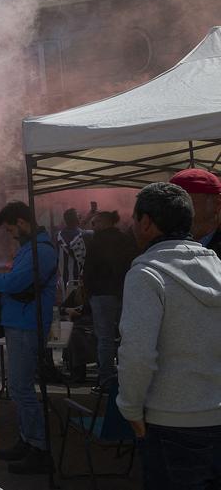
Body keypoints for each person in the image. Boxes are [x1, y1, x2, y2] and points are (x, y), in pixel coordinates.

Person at [117, 182, 221, 489]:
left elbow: (137, 353)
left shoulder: (147, 274)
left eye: (135, 219)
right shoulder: (217, 265)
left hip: (172, 422)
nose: (133, 226)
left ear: (147, 221)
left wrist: (130, 407)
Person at [0, 201, 58, 475]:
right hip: (19, 324)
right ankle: (28, 440)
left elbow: (14, 283)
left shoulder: (40, 251)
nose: (11, 234)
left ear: (22, 222)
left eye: (12, 228)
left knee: (23, 389)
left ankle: (38, 447)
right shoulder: (31, 249)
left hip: (26, 326)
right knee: (20, 388)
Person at [83, 210, 138, 389]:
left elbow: (89, 269)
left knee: (104, 338)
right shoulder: (126, 239)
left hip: (101, 295)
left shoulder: (95, 242)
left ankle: (106, 380)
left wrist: (88, 292)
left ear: (103, 222)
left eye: (94, 223)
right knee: (126, 336)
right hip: (124, 292)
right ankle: (127, 378)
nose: (93, 227)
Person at [169, 167, 221, 256]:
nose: (175, 211)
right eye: (170, 204)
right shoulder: (163, 243)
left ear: (217, 203)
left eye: (185, 202)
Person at [57, 208, 88, 291]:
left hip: (64, 281)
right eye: (78, 216)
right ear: (76, 219)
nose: (80, 217)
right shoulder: (83, 236)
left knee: (67, 303)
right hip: (81, 281)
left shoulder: (58, 236)